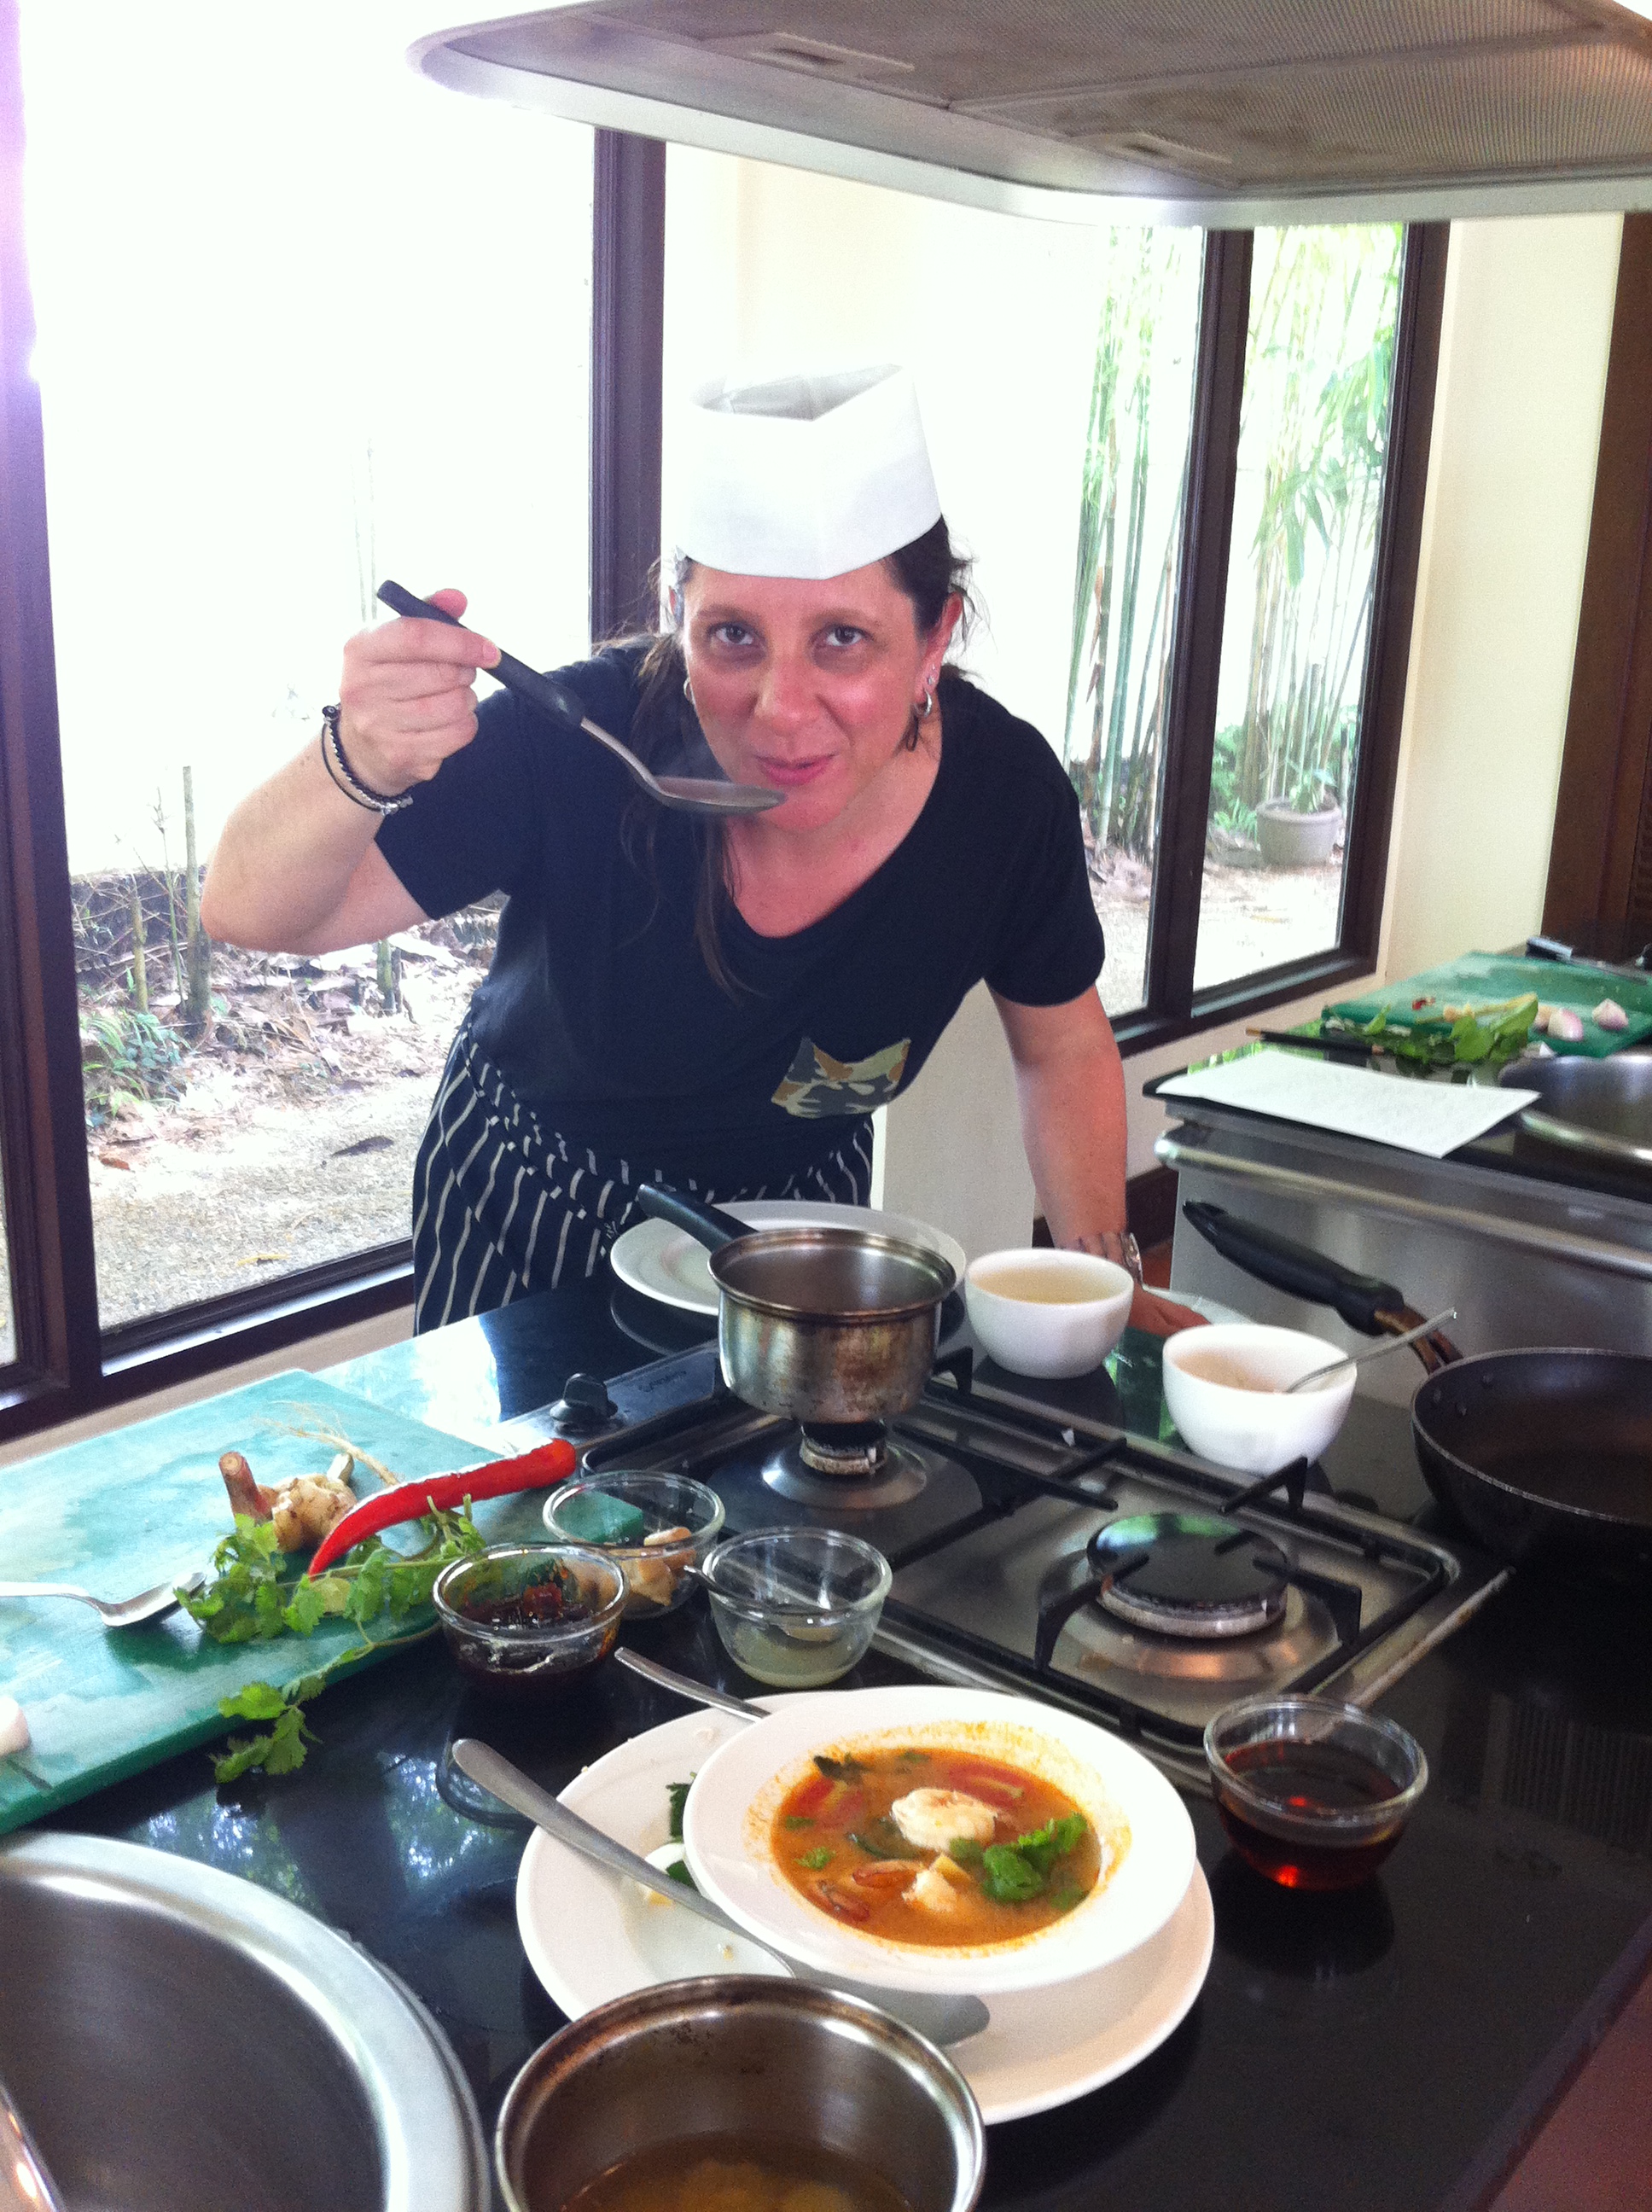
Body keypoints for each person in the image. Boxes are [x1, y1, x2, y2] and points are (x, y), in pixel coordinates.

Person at [202, 364, 1194, 1335]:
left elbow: (1061, 1046)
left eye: (842, 639)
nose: (781, 711)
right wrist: (358, 756)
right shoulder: (581, 740)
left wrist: (1099, 1279)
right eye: (733, 637)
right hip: (536, 1206)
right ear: (678, 618)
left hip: (801, 1233)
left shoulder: (1001, 800)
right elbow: (247, 909)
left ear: (936, 637)